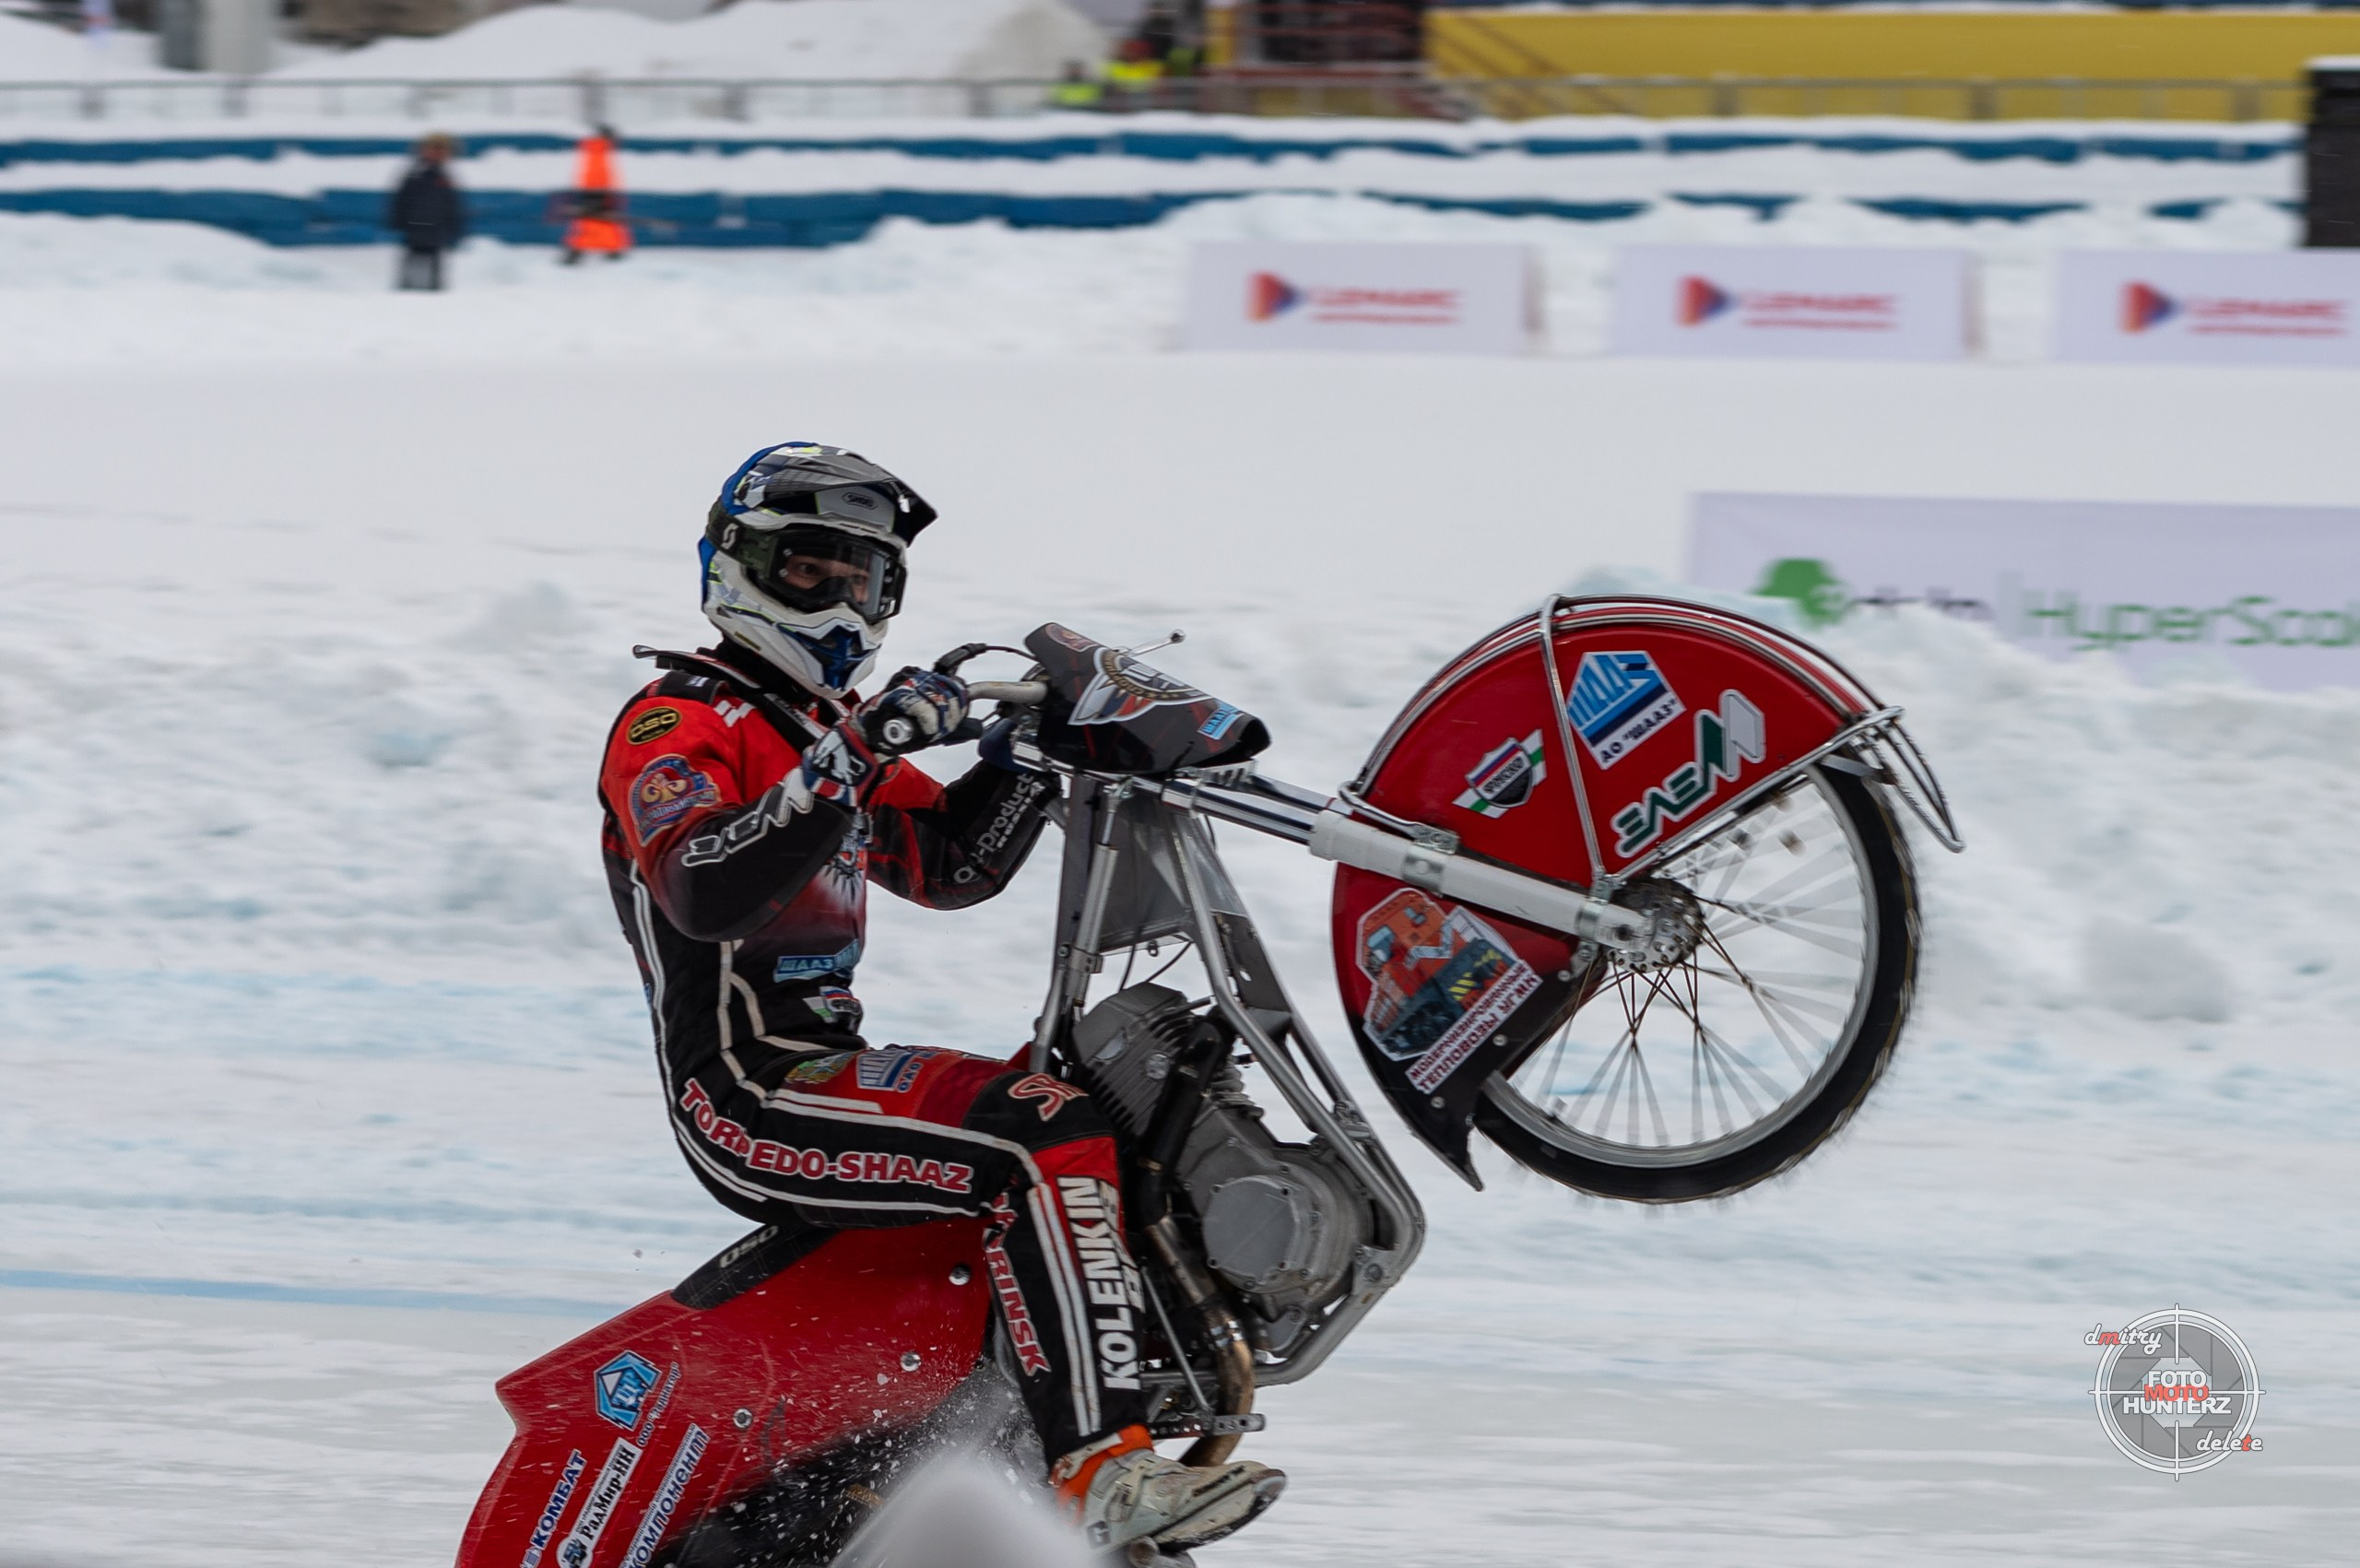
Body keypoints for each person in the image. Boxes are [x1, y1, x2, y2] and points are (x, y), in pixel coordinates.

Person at [596, 442, 1286, 1555]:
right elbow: (706, 886)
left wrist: (1022, 753)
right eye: (810, 567)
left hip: (821, 1068)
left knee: (1094, 1105)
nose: (840, 598)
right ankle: (1102, 1473)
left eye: (865, 579)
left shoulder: (822, 734)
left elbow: (952, 865)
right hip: (747, 1096)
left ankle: (1043, 1424)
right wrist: (857, 750)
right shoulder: (676, 724)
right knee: (1036, 1135)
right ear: (739, 568)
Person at [384, 133, 465, 291]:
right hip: (415, 229)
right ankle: (404, 291)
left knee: (434, 269)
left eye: (442, 150)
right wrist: (398, 222)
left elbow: (452, 205)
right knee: (411, 266)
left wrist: (455, 227)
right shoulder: (414, 175)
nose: (437, 154)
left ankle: (434, 294)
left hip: (436, 231)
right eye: (433, 149)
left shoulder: (446, 177)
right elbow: (401, 201)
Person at [560, 123, 630, 265]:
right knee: (595, 222)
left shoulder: (597, 149)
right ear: (607, 137)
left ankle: (610, 250)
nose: (616, 141)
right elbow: (597, 173)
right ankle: (577, 252)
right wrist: (601, 193)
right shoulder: (599, 149)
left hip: (596, 190)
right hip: (598, 191)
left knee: (599, 222)